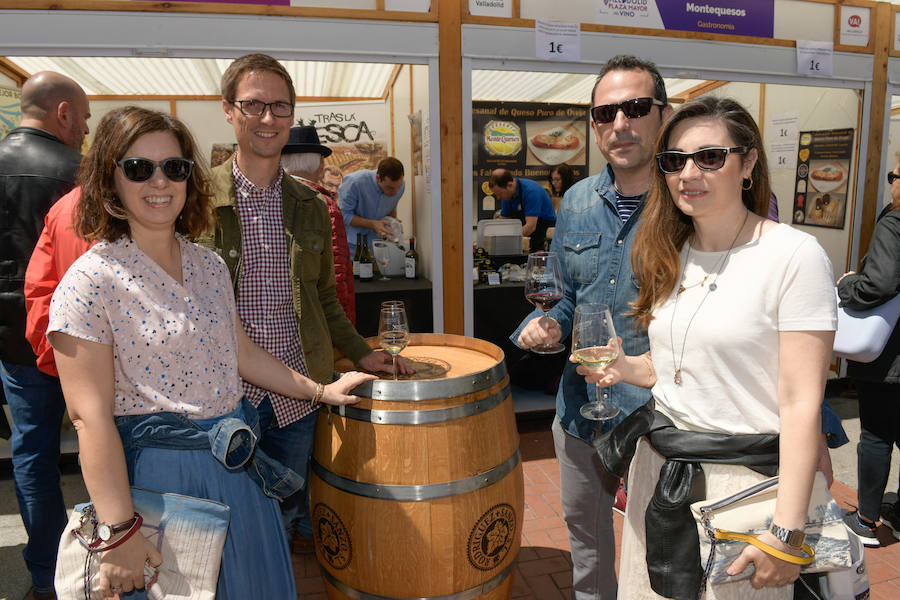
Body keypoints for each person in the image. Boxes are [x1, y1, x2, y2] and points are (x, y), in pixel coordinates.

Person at [47, 106, 376, 598]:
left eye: (174, 167)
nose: (160, 182)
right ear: (108, 178)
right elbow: (88, 418)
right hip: (159, 482)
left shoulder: (208, 264)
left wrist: (320, 390)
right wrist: (119, 532)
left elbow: (240, 352)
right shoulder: (91, 281)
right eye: (139, 168)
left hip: (235, 468)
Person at [582, 96, 836, 599]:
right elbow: (680, 367)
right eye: (674, 161)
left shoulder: (792, 255)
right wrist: (627, 367)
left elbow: (801, 404)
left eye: (710, 157)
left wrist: (786, 532)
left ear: (749, 164)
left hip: (745, 487)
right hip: (661, 476)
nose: (688, 173)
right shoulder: (670, 250)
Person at [201, 53, 411, 556]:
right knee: (228, 527)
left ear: (292, 115)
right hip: (228, 397)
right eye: (254, 105)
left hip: (299, 394)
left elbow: (322, 298)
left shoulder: (312, 205)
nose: (268, 118)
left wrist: (361, 352)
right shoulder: (198, 200)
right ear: (228, 110)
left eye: (280, 106)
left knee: (287, 514)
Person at [510, 55, 671, 600]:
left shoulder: (686, 203)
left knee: (660, 547)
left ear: (663, 116)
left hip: (657, 417)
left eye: (635, 108)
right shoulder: (576, 201)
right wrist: (546, 326)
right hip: (580, 410)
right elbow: (567, 297)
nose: (620, 124)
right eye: (606, 113)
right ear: (594, 125)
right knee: (588, 544)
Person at [0, 71, 90, 600]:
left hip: (13, 337)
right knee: (104, 441)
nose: (84, 127)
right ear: (62, 113)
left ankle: (45, 577)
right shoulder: (78, 170)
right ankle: (109, 558)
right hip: (80, 335)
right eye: (82, 116)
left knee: (32, 457)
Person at [837, 153, 900, 546]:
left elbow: (878, 284)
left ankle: (866, 521)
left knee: (876, 435)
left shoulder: (895, 221)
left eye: (895, 173)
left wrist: (847, 284)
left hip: (890, 355)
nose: (892, 181)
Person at [281, 125, 355, 325]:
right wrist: (344, 331)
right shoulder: (324, 204)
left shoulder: (269, 198)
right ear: (320, 164)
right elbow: (336, 277)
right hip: (320, 322)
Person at [339, 156, 405, 256]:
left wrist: (392, 222)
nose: (395, 192)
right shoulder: (354, 182)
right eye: (390, 188)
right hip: (353, 247)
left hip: (380, 247)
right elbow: (343, 215)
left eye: (398, 187)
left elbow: (391, 208)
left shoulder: (400, 186)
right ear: (378, 178)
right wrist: (373, 224)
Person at [490, 168, 556, 252]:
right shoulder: (507, 194)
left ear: (510, 185)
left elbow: (530, 227)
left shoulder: (531, 191)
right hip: (527, 232)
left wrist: (506, 240)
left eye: (500, 194)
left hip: (543, 232)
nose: (498, 197)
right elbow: (504, 220)